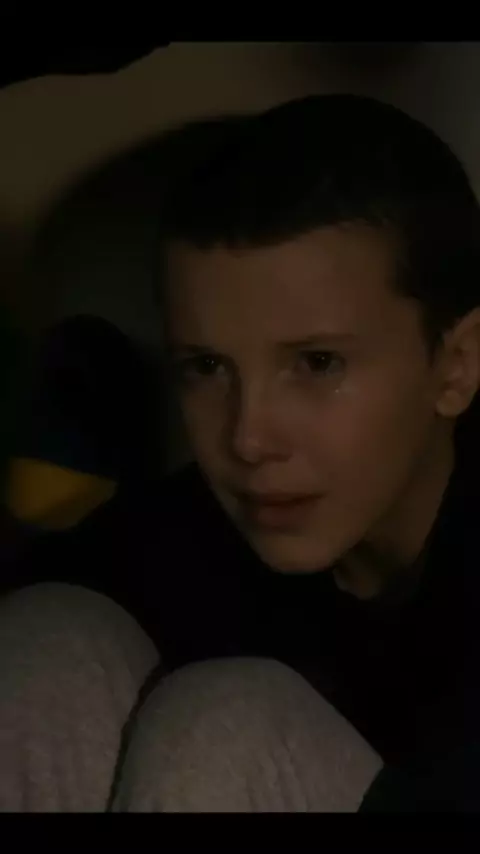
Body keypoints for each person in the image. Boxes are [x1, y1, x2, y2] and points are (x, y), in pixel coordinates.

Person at [1, 93, 479, 811]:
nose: (248, 439)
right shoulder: (202, 531)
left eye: (317, 363)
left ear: (457, 366)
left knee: (225, 724)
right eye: (208, 368)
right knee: (48, 631)